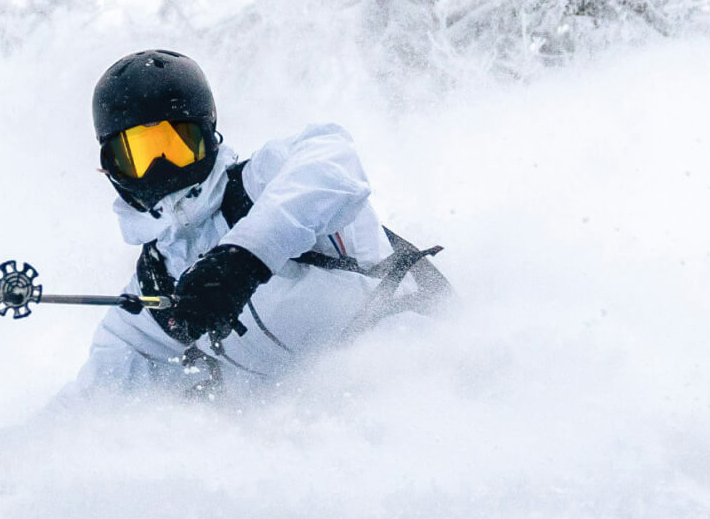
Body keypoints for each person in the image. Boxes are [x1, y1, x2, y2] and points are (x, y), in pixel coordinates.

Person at [61, 48, 442, 401]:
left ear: (208, 136)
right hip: (314, 427)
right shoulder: (158, 281)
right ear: (111, 166)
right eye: (139, 155)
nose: (161, 167)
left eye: (177, 145)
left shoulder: (260, 185)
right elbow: (98, 393)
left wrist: (243, 260)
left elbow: (332, 161)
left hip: (420, 374)